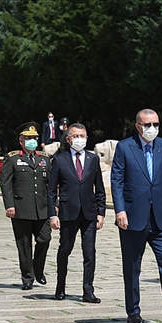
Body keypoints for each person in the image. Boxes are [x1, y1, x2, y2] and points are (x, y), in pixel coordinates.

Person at [110, 108, 162, 323]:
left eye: (155, 124)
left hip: (160, 218)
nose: (152, 128)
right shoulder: (125, 147)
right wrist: (120, 210)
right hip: (133, 218)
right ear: (138, 126)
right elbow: (117, 181)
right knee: (132, 267)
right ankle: (133, 312)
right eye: (147, 125)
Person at [48, 123, 106, 302]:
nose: (79, 139)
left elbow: (100, 188)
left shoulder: (93, 159)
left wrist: (101, 212)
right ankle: (60, 286)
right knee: (65, 249)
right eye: (75, 136)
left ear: (87, 138)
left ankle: (88, 290)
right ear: (68, 139)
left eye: (82, 136)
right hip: (68, 212)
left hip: (89, 213)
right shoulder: (60, 159)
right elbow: (51, 191)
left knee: (89, 252)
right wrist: (53, 214)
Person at [0, 122, 52, 290]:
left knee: (45, 239)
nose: (32, 141)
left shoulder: (44, 159)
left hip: (42, 208)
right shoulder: (13, 158)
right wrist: (9, 205)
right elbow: (5, 184)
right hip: (21, 208)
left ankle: (38, 269)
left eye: (34, 138)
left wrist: (54, 205)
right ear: (21, 141)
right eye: (28, 138)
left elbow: (51, 184)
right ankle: (27, 277)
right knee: (24, 245)